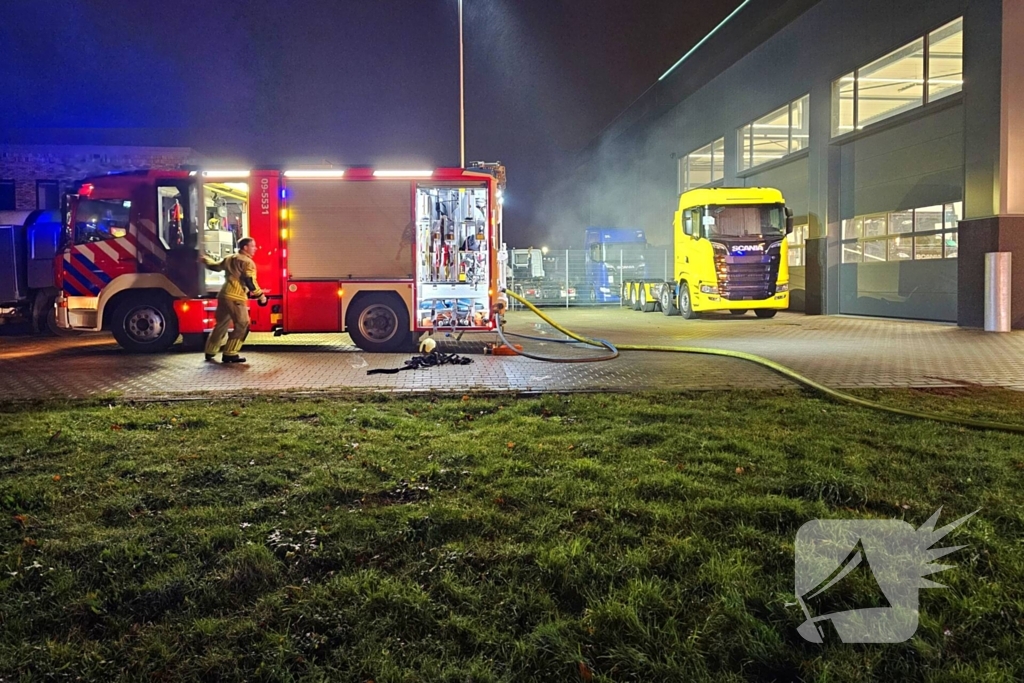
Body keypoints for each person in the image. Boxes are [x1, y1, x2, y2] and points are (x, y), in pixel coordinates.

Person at [201, 237, 266, 363]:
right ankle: (230, 353)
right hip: (236, 297)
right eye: (253, 246)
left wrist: (205, 259)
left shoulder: (229, 258)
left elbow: (215, 266)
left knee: (221, 325)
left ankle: (210, 351)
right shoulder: (247, 262)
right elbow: (250, 281)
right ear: (245, 247)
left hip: (223, 295)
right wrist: (261, 296)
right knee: (242, 324)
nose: (255, 249)